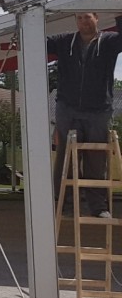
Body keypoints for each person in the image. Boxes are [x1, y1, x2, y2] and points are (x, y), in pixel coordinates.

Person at [49, 12, 122, 218]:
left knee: (96, 157)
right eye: (80, 18)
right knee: (66, 155)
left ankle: (98, 207)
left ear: (97, 18)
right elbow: (39, 41)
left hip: (98, 110)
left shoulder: (108, 41)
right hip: (68, 107)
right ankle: (64, 204)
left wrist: (119, 12)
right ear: (75, 20)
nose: (84, 22)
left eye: (88, 17)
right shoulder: (65, 41)